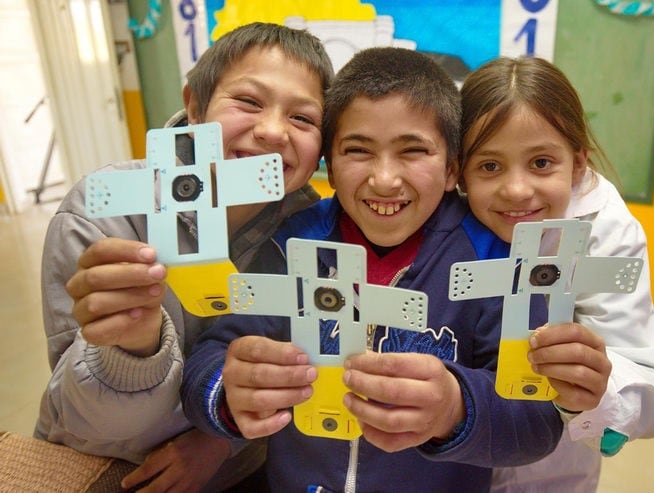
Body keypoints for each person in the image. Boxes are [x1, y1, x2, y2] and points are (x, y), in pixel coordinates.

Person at [180, 47, 564, 493]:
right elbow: (209, 357)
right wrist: (227, 393)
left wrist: (455, 408)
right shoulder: (290, 245)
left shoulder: (497, 263)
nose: (384, 179)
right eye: (358, 150)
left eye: (413, 151)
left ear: (451, 169)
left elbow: (539, 424)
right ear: (329, 163)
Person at [34, 22, 334, 492]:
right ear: (195, 107)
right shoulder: (103, 212)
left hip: (240, 465)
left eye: (303, 119)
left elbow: (300, 373)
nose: (273, 131)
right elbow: (85, 420)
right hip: (108, 464)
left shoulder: (311, 232)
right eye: (249, 101)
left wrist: (219, 440)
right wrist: (130, 349)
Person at [458, 56, 654, 492]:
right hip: (451, 457)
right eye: (489, 166)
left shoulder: (605, 228)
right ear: (458, 173)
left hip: (548, 472)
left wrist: (598, 386)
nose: (517, 190)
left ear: (577, 164)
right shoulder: (445, 214)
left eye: (541, 163)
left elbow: (652, 396)